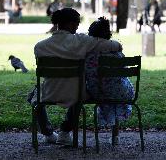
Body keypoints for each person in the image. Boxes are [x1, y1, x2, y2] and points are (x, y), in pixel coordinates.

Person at [30, 8, 122, 145]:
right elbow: (116, 46)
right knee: (77, 93)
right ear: (70, 24)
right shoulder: (82, 41)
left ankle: (48, 133)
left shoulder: (40, 47)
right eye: (77, 23)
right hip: (76, 93)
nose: (78, 26)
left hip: (49, 93)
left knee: (33, 97)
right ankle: (65, 132)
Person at [86, 17, 134, 128]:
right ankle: (115, 134)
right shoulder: (117, 54)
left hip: (97, 93)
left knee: (106, 90)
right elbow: (124, 71)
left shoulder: (88, 56)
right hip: (120, 92)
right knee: (119, 84)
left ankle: (102, 132)